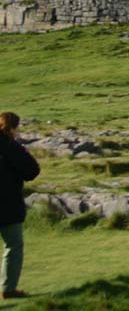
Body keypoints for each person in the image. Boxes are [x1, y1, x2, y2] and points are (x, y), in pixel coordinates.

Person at [0, 112, 40, 300]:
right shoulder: (11, 147)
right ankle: (8, 289)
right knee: (13, 246)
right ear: (13, 128)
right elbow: (32, 170)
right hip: (8, 204)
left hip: (8, 204)